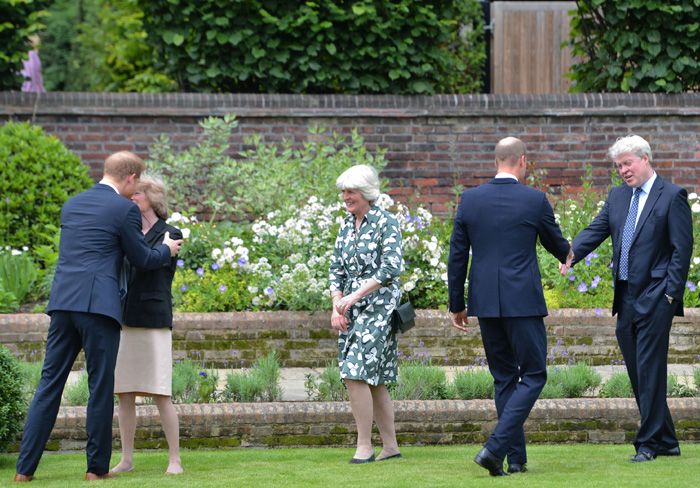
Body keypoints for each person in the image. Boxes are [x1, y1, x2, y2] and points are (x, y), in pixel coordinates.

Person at [14, 152, 182, 483]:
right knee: (100, 388)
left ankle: (24, 470)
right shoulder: (123, 210)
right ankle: (95, 469)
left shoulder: (72, 204)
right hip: (99, 308)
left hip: (63, 304)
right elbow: (144, 258)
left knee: (49, 385)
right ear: (131, 177)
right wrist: (167, 250)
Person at [563, 135, 692, 463]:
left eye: (627, 163)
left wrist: (669, 295)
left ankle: (647, 444)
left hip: (656, 296)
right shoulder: (618, 197)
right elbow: (596, 229)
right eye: (618, 165)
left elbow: (682, 250)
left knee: (649, 369)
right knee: (639, 372)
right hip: (627, 299)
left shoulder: (672, 196)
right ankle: (667, 439)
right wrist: (569, 253)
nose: (622, 170)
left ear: (645, 159)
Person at [447, 137, 572, 476]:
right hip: (523, 302)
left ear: (496, 161)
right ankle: (496, 448)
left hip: (485, 303)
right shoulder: (534, 200)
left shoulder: (470, 200)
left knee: (504, 378)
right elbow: (556, 244)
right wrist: (569, 254)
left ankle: (515, 459)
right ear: (523, 161)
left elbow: (457, 255)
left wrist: (456, 304)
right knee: (534, 374)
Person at [329, 164, 403, 464]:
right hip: (350, 309)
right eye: (343, 192)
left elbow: (391, 268)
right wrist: (337, 304)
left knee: (354, 372)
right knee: (376, 380)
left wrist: (355, 294)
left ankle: (364, 445)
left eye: (351, 191)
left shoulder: (387, 223)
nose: (345, 197)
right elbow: (335, 268)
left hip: (379, 309)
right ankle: (391, 446)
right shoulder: (346, 226)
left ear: (366, 193)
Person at [110, 176, 184, 475]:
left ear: (152, 197)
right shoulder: (125, 232)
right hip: (124, 319)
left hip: (153, 320)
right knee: (124, 393)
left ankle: (175, 460)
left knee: (160, 392)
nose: (131, 198)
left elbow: (150, 264)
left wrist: (160, 249)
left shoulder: (172, 233)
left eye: (136, 193)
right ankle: (126, 460)